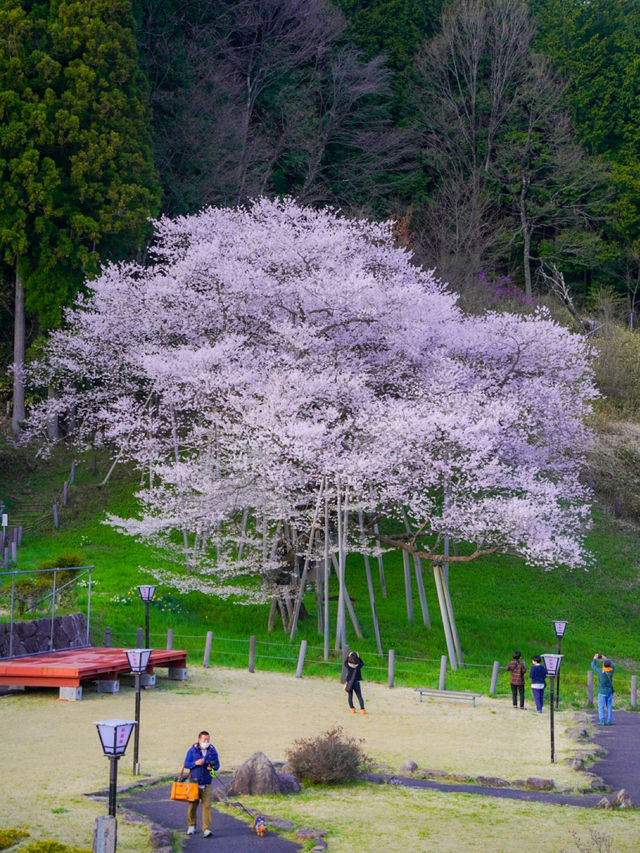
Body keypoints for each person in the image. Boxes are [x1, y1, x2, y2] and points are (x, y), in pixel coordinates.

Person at [183, 730, 220, 837]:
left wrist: (212, 766)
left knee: (207, 806)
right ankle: (191, 826)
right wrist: (195, 763)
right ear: (199, 740)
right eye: (204, 739)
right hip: (194, 783)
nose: (206, 741)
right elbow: (186, 763)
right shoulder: (192, 750)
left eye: (208, 739)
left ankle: (207, 829)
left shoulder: (212, 751)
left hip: (207, 783)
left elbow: (217, 765)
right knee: (192, 805)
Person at [591, 654, 615, 725]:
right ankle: (609, 721)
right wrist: (605, 659)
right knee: (609, 706)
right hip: (609, 692)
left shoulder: (600, 672)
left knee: (601, 707)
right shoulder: (611, 671)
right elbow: (612, 665)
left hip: (601, 692)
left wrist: (594, 659)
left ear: (603, 665)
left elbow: (593, 666)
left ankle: (602, 720)